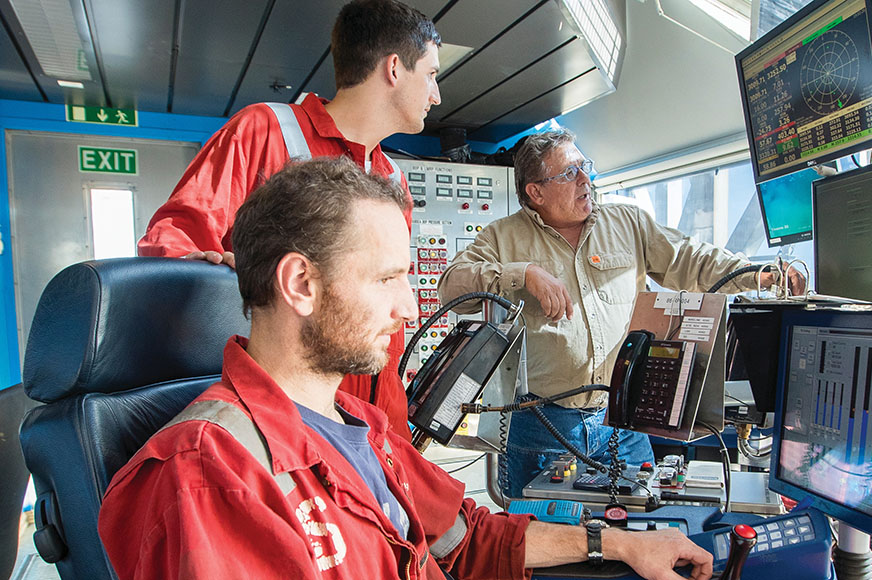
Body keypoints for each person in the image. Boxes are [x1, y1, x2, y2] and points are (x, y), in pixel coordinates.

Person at [98, 157, 715, 580]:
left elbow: (469, 540)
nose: (406, 308)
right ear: (300, 283)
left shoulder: (362, 425)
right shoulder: (208, 474)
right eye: (387, 279)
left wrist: (621, 543)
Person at [438, 129, 805, 497]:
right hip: (542, 424)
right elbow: (451, 287)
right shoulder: (501, 238)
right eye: (569, 173)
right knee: (542, 536)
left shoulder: (627, 224)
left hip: (623, 418)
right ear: (536, 192)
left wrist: (760, 275)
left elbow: (691, 259)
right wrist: (524, 273)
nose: (585, 180)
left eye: (584, 167)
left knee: (635, 526)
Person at [135, 0, 442, 440]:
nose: (436, 95)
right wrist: (211, 272)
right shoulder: (265, 130)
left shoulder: (392, 179)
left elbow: (386, 320)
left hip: (368, 426)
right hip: (280, 424)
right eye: (431, 75)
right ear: (394, 68)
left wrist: (393, 433)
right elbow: (172, 244)